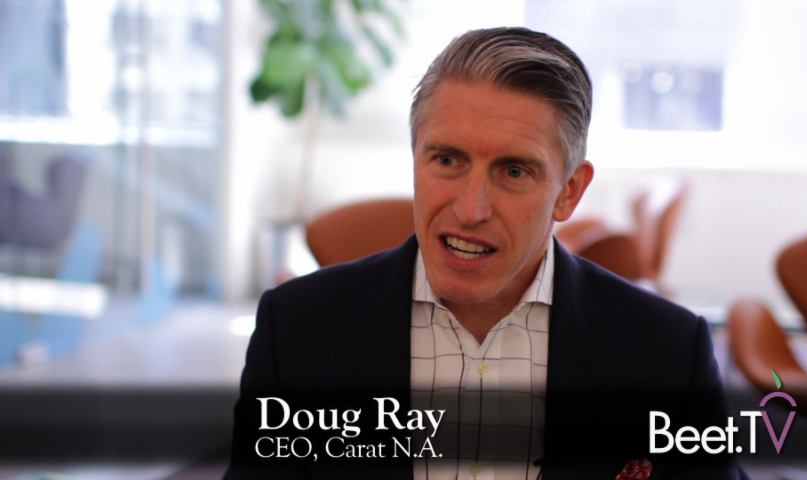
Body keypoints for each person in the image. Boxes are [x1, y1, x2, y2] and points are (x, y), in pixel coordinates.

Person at [224, 27, 747, 479]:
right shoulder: (296, 331)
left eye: (514, 171)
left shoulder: (666, 353)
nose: (471, 210)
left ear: (569, 192)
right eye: (447, 160)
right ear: (415, 159)